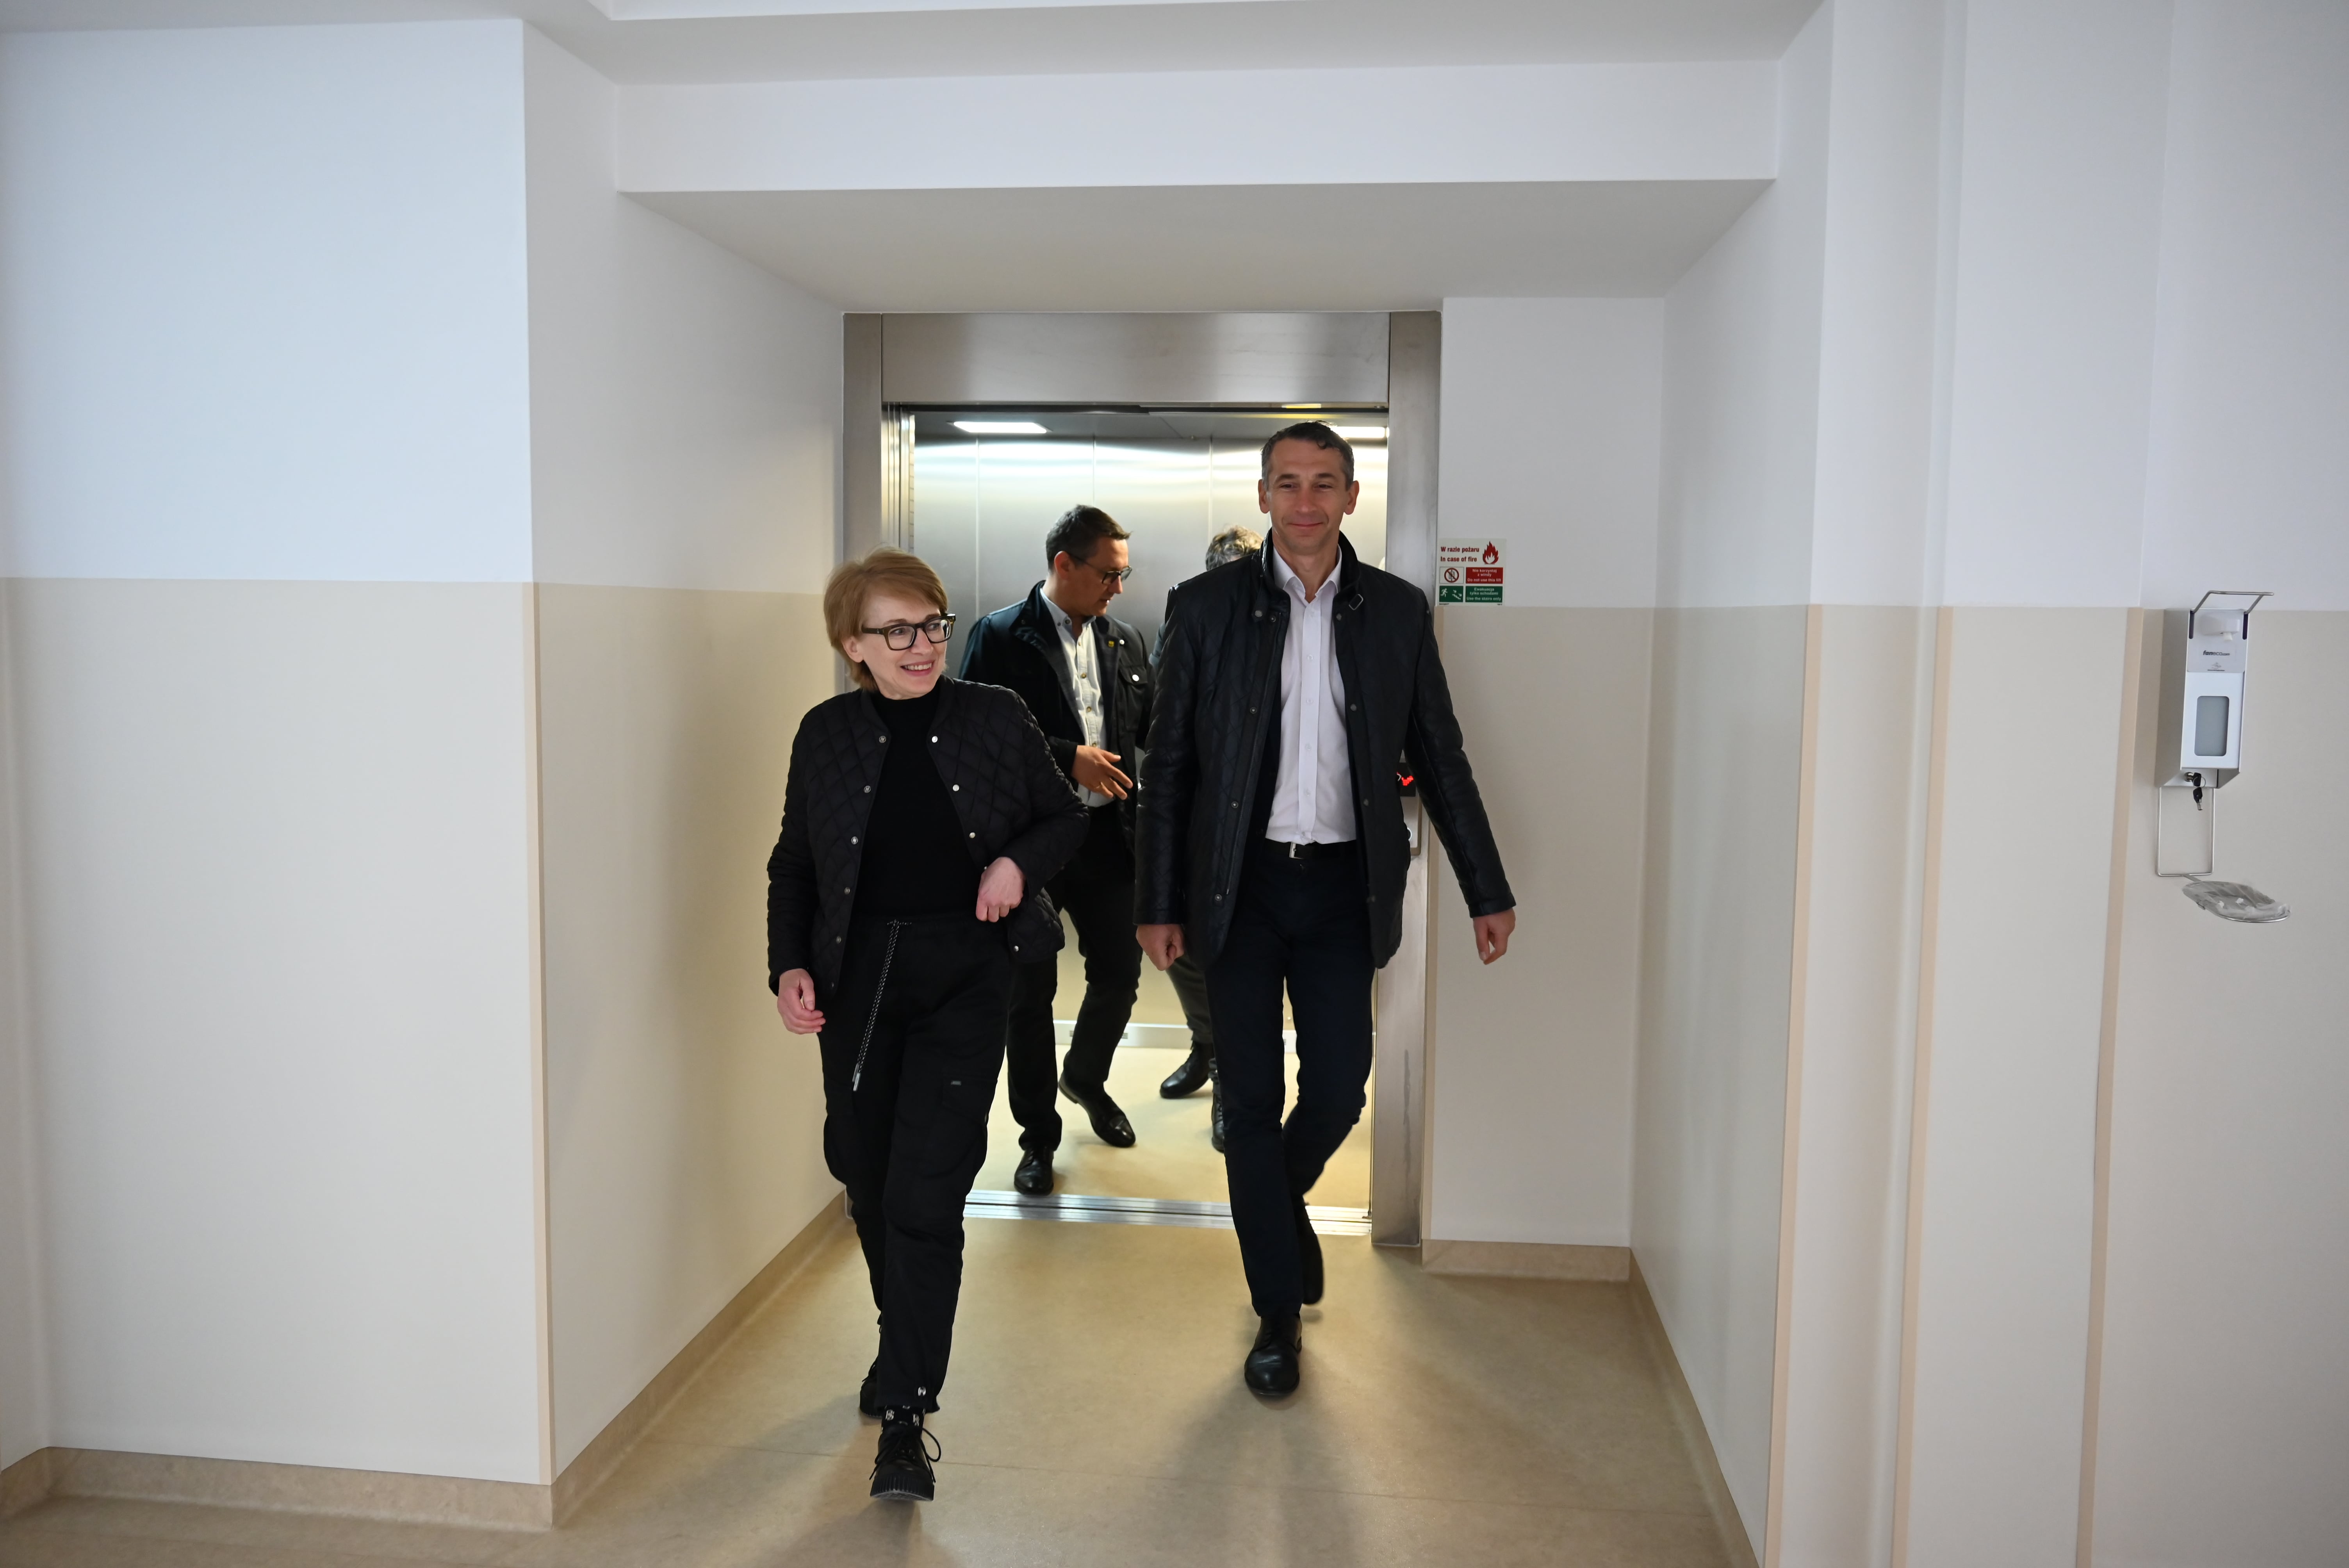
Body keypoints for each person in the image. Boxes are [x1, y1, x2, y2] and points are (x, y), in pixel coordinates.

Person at [1135, 423, 1515, 1397]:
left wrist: (1486, 888)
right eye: (1287, 483)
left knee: (1341, 1085)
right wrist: (1155, 899)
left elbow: (1440, 757)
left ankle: (1274, 1207)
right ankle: (1275, 1314)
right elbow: (1167, 765)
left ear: (1350, 496)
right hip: (1239, 886)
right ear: (1263, 495)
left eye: (1323, 483)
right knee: (1249, 1100)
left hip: (1346, 886)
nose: (1304, 502)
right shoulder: (1203, 607)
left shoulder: (1394, 610)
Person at [768, 548, 1086, 1502]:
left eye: (932, 624)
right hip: (857, 981)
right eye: (897, 630)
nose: (922, 645)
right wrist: (787, 964)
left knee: (926, 1192)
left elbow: (1062, 816)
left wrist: (1015, 866)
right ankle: (898, 1334)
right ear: (852, 644)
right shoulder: (825, 733)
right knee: (866, 1178)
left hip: (965, 975)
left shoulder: (994, 715)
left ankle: (906, 1416)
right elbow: (795, 862)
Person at [958, 505, 1155, 1196]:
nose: (1118, 589)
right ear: (1064, 565)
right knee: (1030, 994)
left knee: (1121, 973)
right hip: (1032, 843)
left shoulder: (1125, 640)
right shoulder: (1001, 636)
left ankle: (1086, 1079)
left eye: (1124, 575)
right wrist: (1068, 755)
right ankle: (1037, 1138)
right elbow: (976, 734)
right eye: (1108, 574)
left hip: (1107, 839)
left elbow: (1149, 729)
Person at [1155, 524, 1265, 1152]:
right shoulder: (1187, 620)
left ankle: (1229, 1077)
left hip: (1259, 828)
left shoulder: (1283, 628)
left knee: (1237, 961)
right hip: (1196, 817)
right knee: (1185, 953)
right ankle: (1206, 1044)